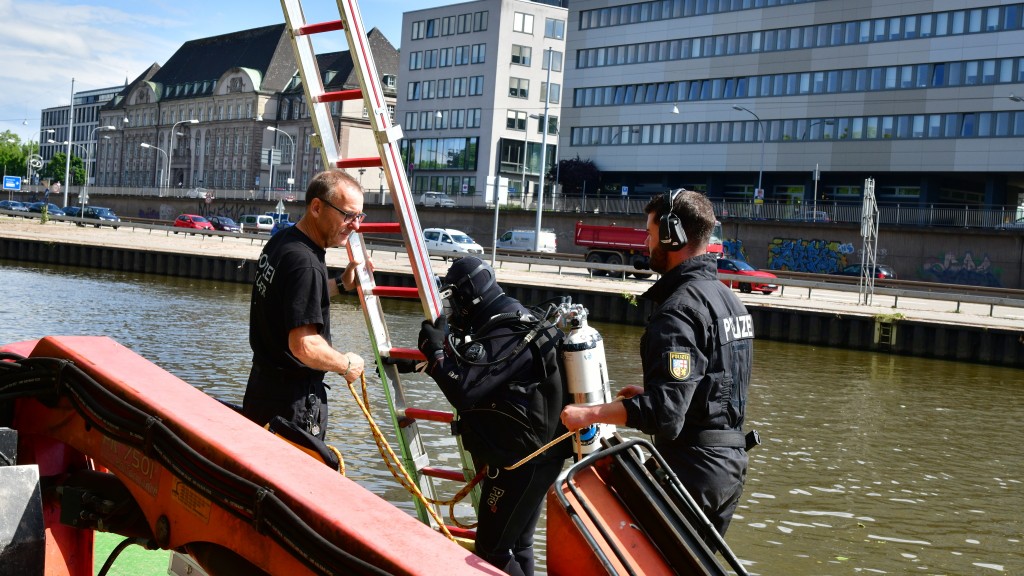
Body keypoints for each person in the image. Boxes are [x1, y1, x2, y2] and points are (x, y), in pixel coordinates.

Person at [560, 189, 754, 539]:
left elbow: (665, 415)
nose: (646, 244)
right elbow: (710, 388)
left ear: (671, 234)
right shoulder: (730, 302)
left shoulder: (679, 310)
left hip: (691, 468)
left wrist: (590, 414)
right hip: (729, 467)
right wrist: (648, 394)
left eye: (650, 234)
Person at [417, 256, 570, 576]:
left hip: (520, 463)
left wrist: (435, 354)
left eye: (454, 300)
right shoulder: (513, 318)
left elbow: (466, 390)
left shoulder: (508, 331)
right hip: (541, 455)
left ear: (468, 297)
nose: (454, 311)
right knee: (519, 544)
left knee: (491, 550)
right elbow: (486, 374)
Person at [242, 170, 367, 440]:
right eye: (348, 215)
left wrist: (343, 284)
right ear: (317, 207)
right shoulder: (306, 263)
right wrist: (346, 364)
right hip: (291, 406)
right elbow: (303, 345)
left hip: (261, 391)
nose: (355, 225)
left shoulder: (283, 242)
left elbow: (294, 301)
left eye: (359, 217)